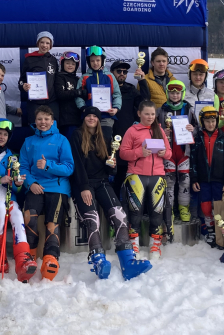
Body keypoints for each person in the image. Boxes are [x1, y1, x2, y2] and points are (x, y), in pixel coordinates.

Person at [70, 106, 152, 280]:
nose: (91, 119)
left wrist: (112, 165)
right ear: (84, 119)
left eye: (95, 116)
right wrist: (83, 187)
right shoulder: (76, 135)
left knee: (120, 215)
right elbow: (76, 164)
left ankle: (128, 260)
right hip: (82, 184)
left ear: (99, 120)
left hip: (102, 182)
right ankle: (98, 259)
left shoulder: (105, 137)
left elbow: (110, 171)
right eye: (88, 116)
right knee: (92, 218)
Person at [18, 105, 75, 280]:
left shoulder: (61, 140)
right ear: (35, 121)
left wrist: (48, 165)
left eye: (46, 119)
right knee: (29, 217)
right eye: (39, 119)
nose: (43, 122)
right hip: (36, 186)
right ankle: (30, 257)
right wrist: (30, 183)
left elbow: (69, 168)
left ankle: (50, 258)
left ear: (52, 121)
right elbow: (23, 167)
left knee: (52, 223)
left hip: (57, 187)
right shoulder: (28, 141)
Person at [119, 101, 172, 260]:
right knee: (135, 212)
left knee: (157, 212)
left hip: (157, 175)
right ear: (139, 114)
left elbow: (169, 153)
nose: (150, 117)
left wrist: (164, 153)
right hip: (136, 175)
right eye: (147, 113)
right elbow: (123, 153)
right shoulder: (132, 131)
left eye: (152, 114)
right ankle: (133, 242)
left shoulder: (159, 130)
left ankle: (155, 244)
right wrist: (139, 152)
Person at [0, 119, 33, 282]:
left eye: (5, 135)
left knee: (17, 215)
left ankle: (23, 258)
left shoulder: (12, 157)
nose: (1, 137)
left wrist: (17, 184)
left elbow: (16, 187)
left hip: (7, 197)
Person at [190, 106, 224, 246]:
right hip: (203, 179)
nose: (210, 124)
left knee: (218, 207)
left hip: (219, 180)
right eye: (207, 121)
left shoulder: (223, 138)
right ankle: (210, 230)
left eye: (213, 121)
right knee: (205, 206)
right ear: (202, 122)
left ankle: (219, 231)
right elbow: (193, 159)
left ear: (217, 121)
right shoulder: (198, 138)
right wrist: (194, 178)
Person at [157, 80, 197, 228]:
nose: (175, 95)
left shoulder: (189, 109)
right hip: (168, 152)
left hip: (183, 151)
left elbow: (198, 128)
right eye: (172, 93)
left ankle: (184, 208)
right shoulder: (161, 109)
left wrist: (192, 129)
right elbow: (154, 130)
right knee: (169, 181)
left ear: (182, 93)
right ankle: (169, 210)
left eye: (178, 93)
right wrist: (162, 132)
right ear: (167, 93)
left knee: (185, 181)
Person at [76, 46, 122, 145]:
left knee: (105, 142)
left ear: (103, 60)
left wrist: (116, 108)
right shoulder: (84, 77)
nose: (95, 63)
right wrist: (83, 108)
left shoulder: (110, 76)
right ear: (89, 62)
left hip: (106, 116)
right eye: (92, 61)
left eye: (98, 60)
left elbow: (117, 94)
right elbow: (78, 96)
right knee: (90, 143)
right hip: (90, 117)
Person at [111, 60, 141, 194]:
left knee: (123, 172)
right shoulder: (105, 88)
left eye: (125, 72)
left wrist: (142, 81)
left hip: (125, 136)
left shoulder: (131, 89)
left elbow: (144, 103)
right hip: (108, 133)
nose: (122, 74)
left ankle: (124, 202)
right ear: (112, 72)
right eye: (119, 71)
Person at [19, 31, 60, 125]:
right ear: (38, 43)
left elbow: (56, 79)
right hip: (35, 102)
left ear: (51, 46)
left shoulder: (53, 60)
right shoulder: (29, 59)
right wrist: (23, 86)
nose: (44, 45)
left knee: (53, 127)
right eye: (42, 42)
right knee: (36, 127)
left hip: (51, 101)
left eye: (47, 43)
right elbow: (21, 81)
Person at [55, 51, 83, 139]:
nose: (70, 65)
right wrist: (78, 92)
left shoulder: (78, 79)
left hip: (78, 118)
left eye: (73, 64)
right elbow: (60, 94)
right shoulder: (59, 77)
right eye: (67, 63)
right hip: (66, 119)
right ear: (62, 64)